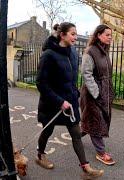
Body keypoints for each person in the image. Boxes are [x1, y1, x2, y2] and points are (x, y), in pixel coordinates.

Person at [36, 22, 104, 179]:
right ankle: (40, 155)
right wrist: (59, 101)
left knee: (76, 134)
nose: (75, 37)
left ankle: (86, 168)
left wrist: (75, 92)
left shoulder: (73, 52)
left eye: (76, 33)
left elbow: (71, 77)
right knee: (47, 131)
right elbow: (41, 83)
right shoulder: (48, 55)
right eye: (72, 34)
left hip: (70, 103)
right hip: (52, 103)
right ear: (62, 35)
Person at [80, 25, 116, 166]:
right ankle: (101, 152)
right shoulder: (90, 51)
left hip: (104, 93)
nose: (110, 37)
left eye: (110, 35)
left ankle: (76, 135)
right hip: (92, 95)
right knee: (96, 121)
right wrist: (96, 93)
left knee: (89, 122)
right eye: (107, 35)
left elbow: (107, 75)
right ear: (99, 35)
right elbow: (86, 74)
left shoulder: (104, 51)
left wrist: (109, 92)